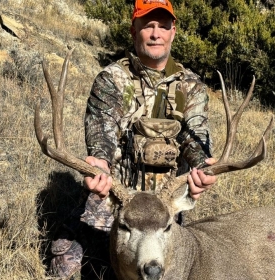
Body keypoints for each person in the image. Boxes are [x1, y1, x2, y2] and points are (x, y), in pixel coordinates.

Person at [50, 0, 217, 278]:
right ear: (134, 30)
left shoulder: (192, 85)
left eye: (163, 26)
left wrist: (202, 168)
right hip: (118, 198)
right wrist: (100, 165)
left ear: (173, 32)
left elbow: (195, 136)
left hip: (164, 205)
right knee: (66, 264)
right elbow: (102, 132)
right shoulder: (111, 79)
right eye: (148, 26)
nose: (156, 34)